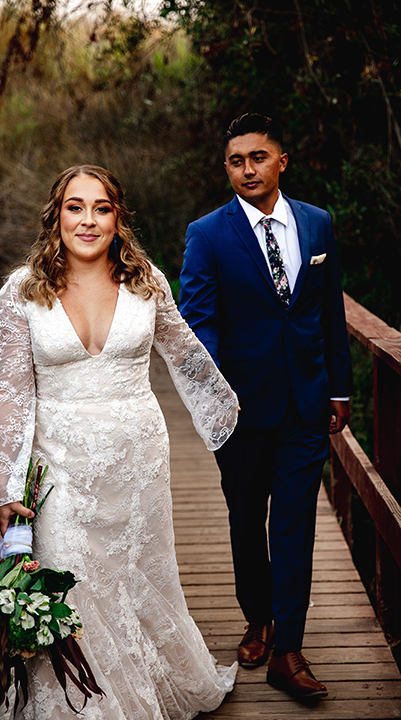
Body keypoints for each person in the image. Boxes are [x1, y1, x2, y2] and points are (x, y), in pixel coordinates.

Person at [0, 164, 240, 719]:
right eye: (75, 207)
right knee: (71, 577)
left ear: (118, 218)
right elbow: (12, 391)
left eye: (101, 208)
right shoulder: (21, 292)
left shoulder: (146, 280)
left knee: (136, 577)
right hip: (58, 464)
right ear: (56, 216)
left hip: (137, 460)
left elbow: (187, 354)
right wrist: (6, 482)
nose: (88, 220)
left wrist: (232, 417)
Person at [179, 113, 352, 701]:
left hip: (306, 405)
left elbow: (329, 313)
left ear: (282, 160)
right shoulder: (207, 233)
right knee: (247, 521)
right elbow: (198, 326)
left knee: (296, 524)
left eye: (258, 157)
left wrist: (339, 388)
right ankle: (258, 617)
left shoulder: (318, 224)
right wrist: (216, 404)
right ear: (226, 168)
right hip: (242, 411)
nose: (247, 169)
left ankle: (288, 649)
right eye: (236, 161)